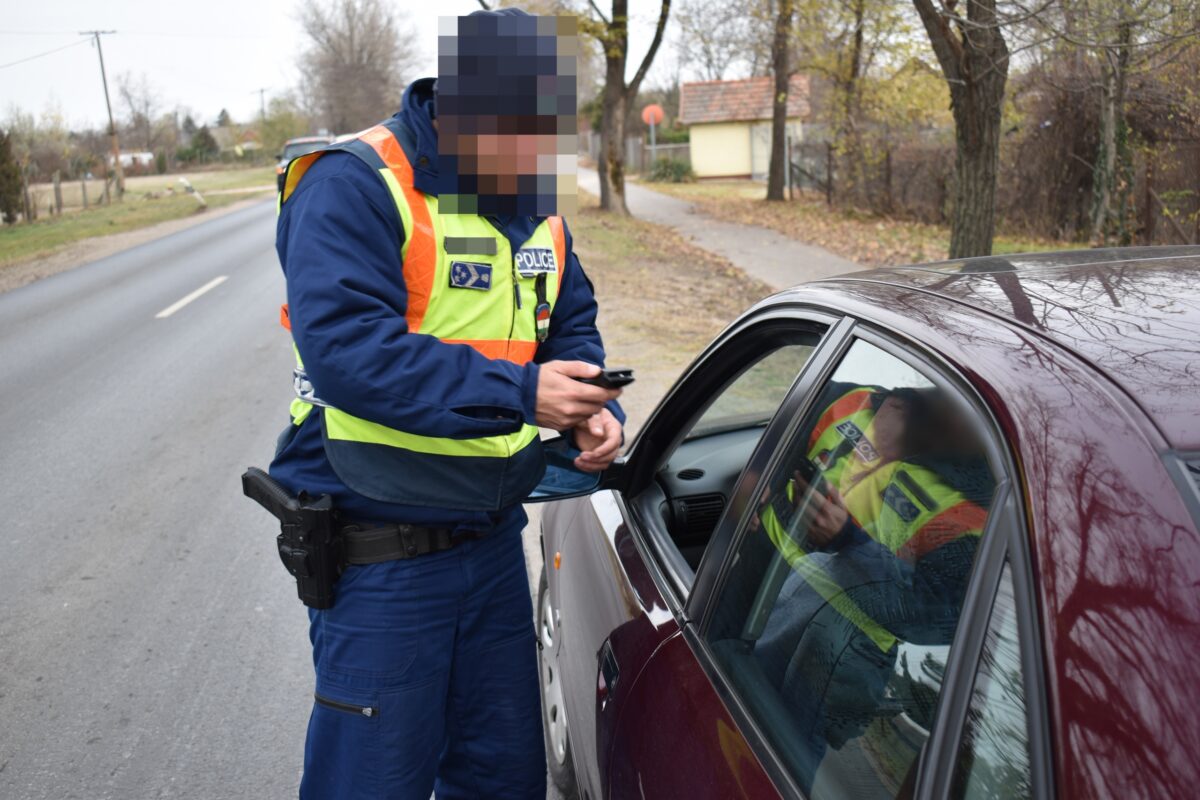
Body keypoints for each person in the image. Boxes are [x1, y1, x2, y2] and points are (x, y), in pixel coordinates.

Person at [267, 9, 621, 799]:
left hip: (491, 544)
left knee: (503, 778)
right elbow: (349, 352)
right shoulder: (354, 184)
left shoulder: (534, 199)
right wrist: (521, 393)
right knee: (371, 784)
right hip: (380, 559)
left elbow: (569, 320)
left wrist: (588, 401)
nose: (538, 156)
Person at [750, 381, 993, 790]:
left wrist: (848, 541)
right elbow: (782, 446)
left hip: (831, 655)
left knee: (778, 769)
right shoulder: (848, 399)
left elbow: (937, 620)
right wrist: (762, 481)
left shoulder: (971, 513)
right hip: (754, 581)